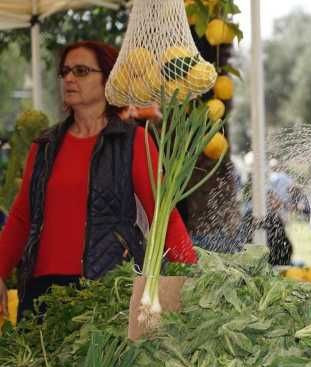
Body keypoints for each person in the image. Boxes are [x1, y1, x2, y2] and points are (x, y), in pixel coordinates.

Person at [0, 41, 197, 319]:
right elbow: (21, 216)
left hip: (104, 291)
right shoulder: (43, 145)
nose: (69, 78)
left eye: (81, 71)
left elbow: (163, 215)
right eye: (65, 71)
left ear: (108, 79)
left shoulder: (134, 141)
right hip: (40, 294)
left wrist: (194, 276)